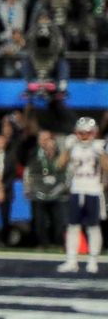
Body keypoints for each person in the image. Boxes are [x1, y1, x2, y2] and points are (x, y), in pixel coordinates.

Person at [58, 116, 106, 273]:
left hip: (93, 190)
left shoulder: (100, 145)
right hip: (76, 189)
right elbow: (59, 165)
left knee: (93, 227)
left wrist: (102, 154)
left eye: (87, 133)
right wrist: (67, 149)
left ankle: (93, 260)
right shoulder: (72, 144)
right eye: (82, 133)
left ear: (93, 132)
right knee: (73, 226)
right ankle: (72, 260)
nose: (84, 136)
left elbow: (107, 168)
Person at [25, 130, 68, 248]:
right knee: (40, 220)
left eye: (52, 147)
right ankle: (43, 243)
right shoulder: (35, 156)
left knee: (59, 220)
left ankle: (59, 243)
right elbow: (29, 173)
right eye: (48, 147)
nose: (50, 150)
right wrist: (29, 187)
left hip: (57, 193)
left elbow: (64, 173)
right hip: (40, 194)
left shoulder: (60, 158)